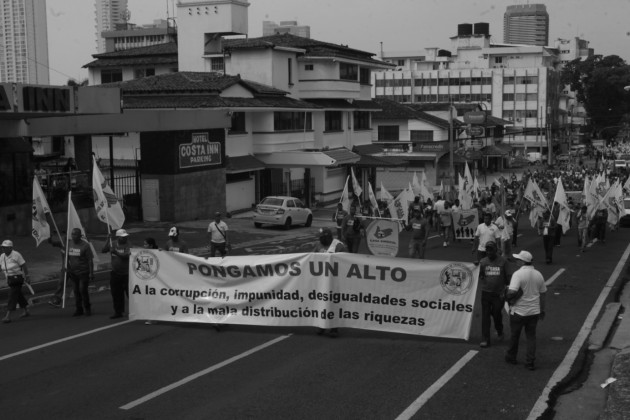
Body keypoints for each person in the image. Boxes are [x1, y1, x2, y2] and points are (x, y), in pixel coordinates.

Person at [505, 250, 547, 370]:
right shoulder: (538, 274)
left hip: (518, 311)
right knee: (531, 337)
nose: (517, 261)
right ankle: (530, 362)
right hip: (534, 311)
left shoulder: (518, 274)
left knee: (514, 335)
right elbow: (543, 294)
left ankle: (511, 357)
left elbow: (512, 291)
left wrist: (505, 294)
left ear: (523, 262)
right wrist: (542, 310)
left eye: (518, 259)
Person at [313, 228, 346, 337]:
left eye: (322, 237)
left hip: (334, 281)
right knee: (321, 303)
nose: (320, 239)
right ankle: (321, 326)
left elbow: (346, 262)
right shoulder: (318, 245)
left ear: (327, 237)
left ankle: (334, 328)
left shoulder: (339, 246)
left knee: (333, 304)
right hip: (321, 280)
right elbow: (312, 259)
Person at [477, 241, 510, 348]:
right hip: (486, 293)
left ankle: (499, 330)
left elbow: (508, 277)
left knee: (496, 313)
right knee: (485, 316)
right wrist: (476, 267)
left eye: (491, 250)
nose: (489, 252)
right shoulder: (483, 262)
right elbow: (480, 275)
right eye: (487, 250)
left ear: (496, 250)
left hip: (498, 294)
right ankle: (485, 339)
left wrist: (507, 290)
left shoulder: (503, 261)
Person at [102, 229, 131, 319]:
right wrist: (107, 239)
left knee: (130, 293)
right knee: (116, 293)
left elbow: (126, 256)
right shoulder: (113, 243)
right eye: (123, 237)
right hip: (115, 273)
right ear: (118, 237)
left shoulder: (128, 244)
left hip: (127, 273)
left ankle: (134, 311)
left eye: (126, 237)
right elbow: (103, 250)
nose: (125, 238)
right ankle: (118, 311)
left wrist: (115, 252)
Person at [1, 240, 30, 323]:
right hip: (9, 279)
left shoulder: (16, 254)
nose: (3, 249)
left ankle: (8, 316)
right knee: (18, 295)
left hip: (17, 278)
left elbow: (23, 265)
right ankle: (26, 310)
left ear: (11, 248)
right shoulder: (2, 256)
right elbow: (1, 266)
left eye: (5, 247)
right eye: (3, 247)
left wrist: (27, 276)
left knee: (12, 295)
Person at [67, 228, 94, 317]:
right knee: (76, 291)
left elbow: (90, 260)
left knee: (83, 290)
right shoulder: (69, 244)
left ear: (80, 236)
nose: (73, 236)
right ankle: (79, 309)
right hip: (73, 273)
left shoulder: (85, 246)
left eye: (75, 234)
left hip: (83, 272)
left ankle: (87, 308)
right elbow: (66, 256)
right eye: (72, 234)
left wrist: (91, 273)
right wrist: (67, 267)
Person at [143, 238, 159, 325]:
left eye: (145, 244)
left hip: (156, 281)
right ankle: (152, 317)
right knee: (149, 299)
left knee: (153, 299)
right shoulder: (144, 254)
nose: (144, 246)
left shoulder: (158, 253)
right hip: (148, 280)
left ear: (151, 245)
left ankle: (153, 317)